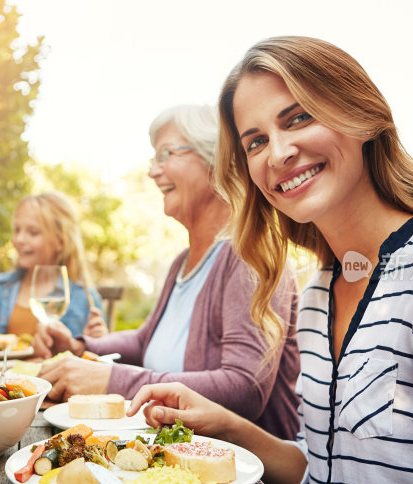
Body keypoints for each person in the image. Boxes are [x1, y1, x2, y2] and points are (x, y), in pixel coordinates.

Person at [122, 37, 413, 484]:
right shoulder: (320, 292)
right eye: (256, 141)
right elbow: (328, 474)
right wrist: (232, 428)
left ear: (362, 117)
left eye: (299, 117)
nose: (279, 153)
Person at [33, 104, 301, 440]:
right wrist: (78, 345)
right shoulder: (183, 261)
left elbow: (244, 388)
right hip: (172, 451)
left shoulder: (250, 254)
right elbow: (145, 340)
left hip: (242, 473)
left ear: (215, 159)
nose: (152, 172)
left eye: (166, 154)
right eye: (152, 159)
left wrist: (111, 380)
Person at [0, 191, 105, 338]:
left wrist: (98, 342)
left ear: (60, 241)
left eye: (33, 232)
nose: (19, 239)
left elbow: (98, 359)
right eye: (17, 230)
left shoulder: (83, 297)